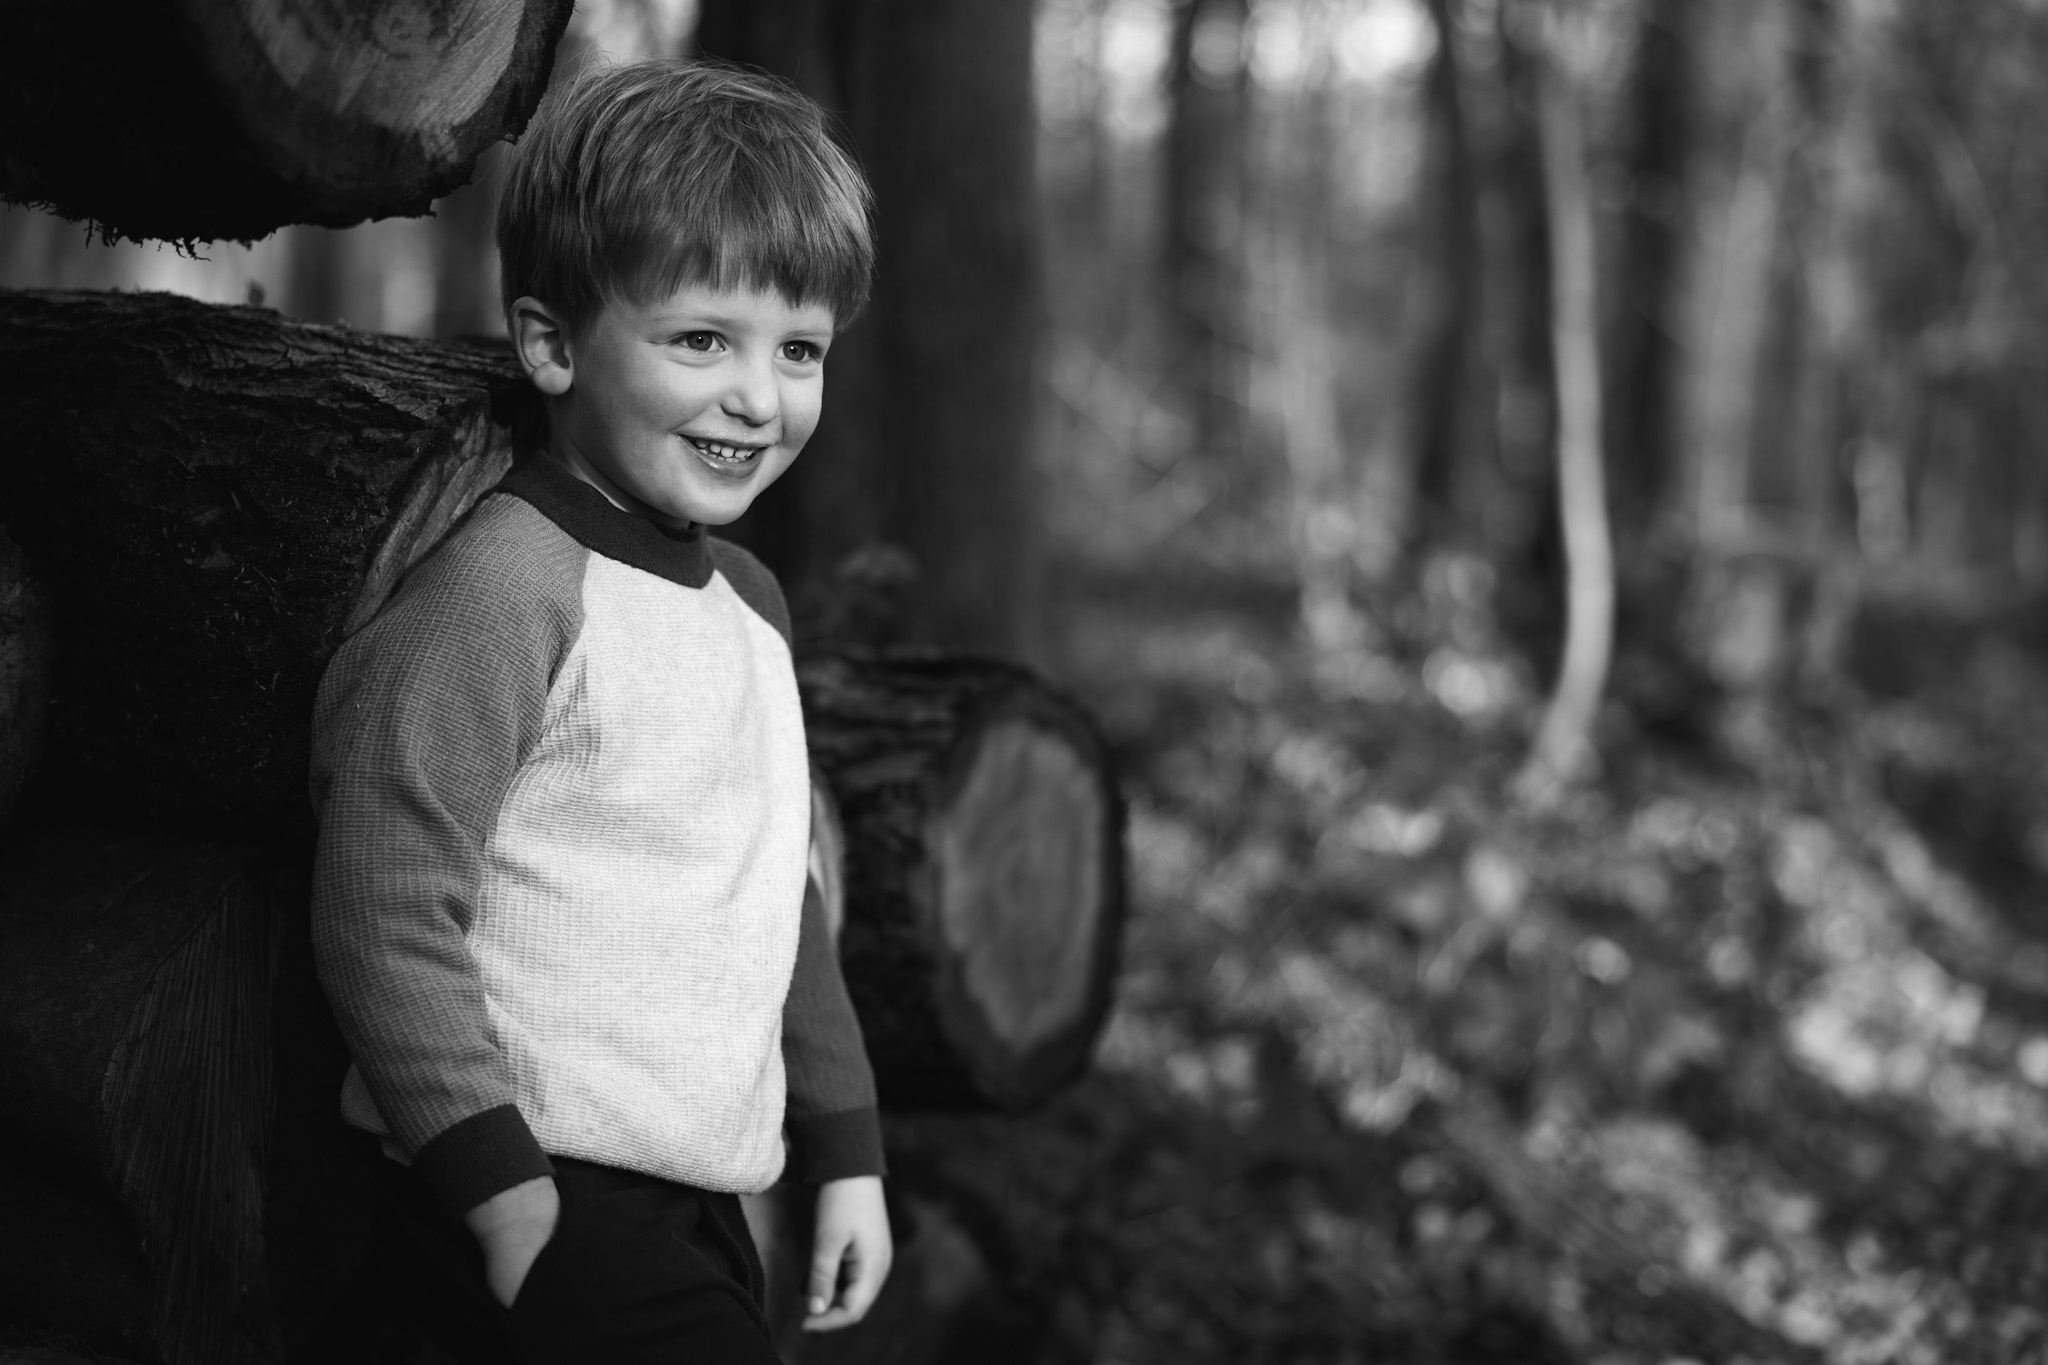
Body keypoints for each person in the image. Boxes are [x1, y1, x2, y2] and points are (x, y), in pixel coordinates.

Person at [309, 58, 891, 1363]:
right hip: (523, 1180)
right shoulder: (511, 581)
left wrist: (844, 1149)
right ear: (554, 343)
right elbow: (381, 888)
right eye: (702, 339)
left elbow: (771, 899)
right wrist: (501, 1189)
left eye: (797, 349)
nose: (759, 394)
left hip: (696, 1198)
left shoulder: (750, 607)